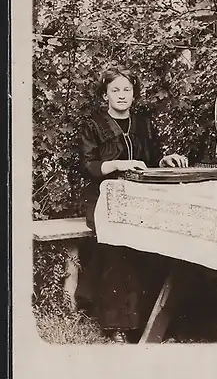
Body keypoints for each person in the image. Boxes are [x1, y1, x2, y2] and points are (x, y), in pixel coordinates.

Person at [75, 65, 188, 343]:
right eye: (115, 90)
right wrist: (118, 164)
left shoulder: (143, 124)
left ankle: (150, 320)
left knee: (155, 241)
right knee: (118, 245)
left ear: (134, 94)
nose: (122, 95)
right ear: (106, 95)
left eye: (127, 89)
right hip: (102, 198)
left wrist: (165, 161)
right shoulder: (93, 125)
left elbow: (151, 161)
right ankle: (116, 326)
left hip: (140, 199)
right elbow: (88, 166)